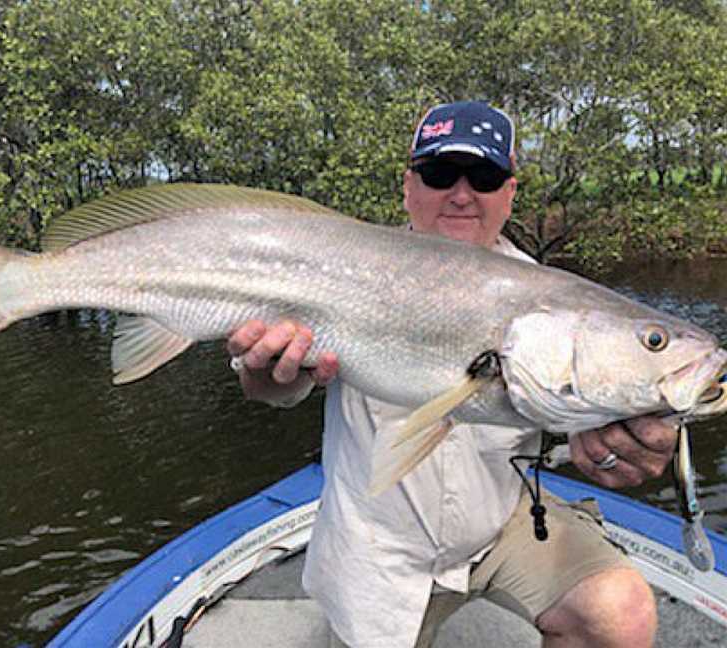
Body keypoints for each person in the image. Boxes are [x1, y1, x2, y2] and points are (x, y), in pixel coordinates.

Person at [227, 101, 677, 648]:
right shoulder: (337, 262)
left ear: (510, 193)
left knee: (619, 614)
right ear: (408, 185)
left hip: (498, 529)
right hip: (379, 549)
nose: (462, 194)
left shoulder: (557, 305)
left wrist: (620, 440)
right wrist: (274, 376)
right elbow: (263, 386)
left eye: (484, 177)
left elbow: (586, 411)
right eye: (441, 174)